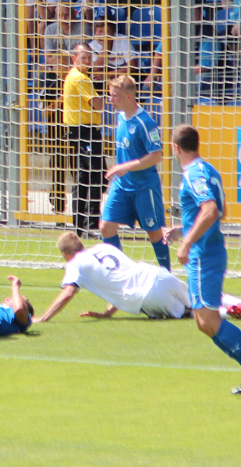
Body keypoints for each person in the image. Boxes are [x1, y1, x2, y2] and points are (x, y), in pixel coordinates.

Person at [163, 124, 241, 397]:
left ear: (176, 148)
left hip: (204, 256)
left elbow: (211, 210)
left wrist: (188, 242)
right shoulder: (209, 170)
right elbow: (217, 211)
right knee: (203, 322)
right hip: (207, 253)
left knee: (209, 320)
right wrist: (183, 231)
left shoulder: (194, 174)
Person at [97, 74, 173, 268]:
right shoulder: (120, 118)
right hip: (122, 186)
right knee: (106, 227)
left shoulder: (145, 123)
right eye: (109, 95)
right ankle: (120, 273)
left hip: (144, 187)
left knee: (155, 233)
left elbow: (156, 156)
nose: (110, 99)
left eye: (114, 96)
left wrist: (125, 167)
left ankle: (166, 275)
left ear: (129, 97)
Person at [35, 231, 193, 321]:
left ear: (65, 254)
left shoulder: (75, 264)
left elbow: (68, 292)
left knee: (192, 315)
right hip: (157, 274)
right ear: (82, 244)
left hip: (146, 295)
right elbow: (121, 278)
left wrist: (44, 317)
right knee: (208, 304)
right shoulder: (104, 247)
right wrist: (107, 313)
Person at [64, 43, 104, 237]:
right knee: (91, 177)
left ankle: (80, 224)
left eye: (90, 57)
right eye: (84, 57)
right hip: (85, 131)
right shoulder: (81, 79)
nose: (88, 61)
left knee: (86, 176)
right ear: (74, 58)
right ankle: (90, 224)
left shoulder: (75, 76)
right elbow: (98, 105)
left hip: (79, 131)